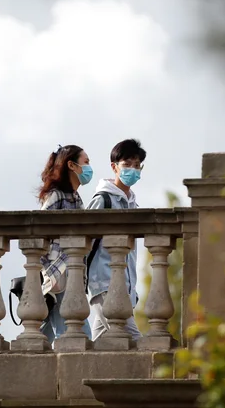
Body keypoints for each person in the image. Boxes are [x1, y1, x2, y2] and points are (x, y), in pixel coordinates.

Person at [85, 139, 146, 341]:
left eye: (137, 166)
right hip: (104, 283)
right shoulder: (104, 199)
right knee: (134, 339)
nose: (133, 170)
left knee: (100, 338)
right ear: (114, 167)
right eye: (127, 164)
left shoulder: (132, 204)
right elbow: (84, 239)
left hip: (125, 287)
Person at [38, 144, 94, 344]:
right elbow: (39, 233)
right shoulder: (57, 195)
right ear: (71, 165)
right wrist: (49, 269)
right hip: (59, 272)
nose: (89, 168)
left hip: (70, 272)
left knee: (49, 333)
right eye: (85, 162)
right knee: (76, 332)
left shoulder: (75, 197)